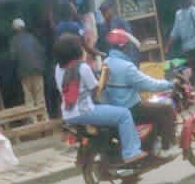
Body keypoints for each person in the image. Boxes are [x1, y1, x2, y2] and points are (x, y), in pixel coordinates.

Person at [54, 34, 145, 164]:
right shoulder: (83, 68)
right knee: (124, 114)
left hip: (68, 114)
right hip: (85, 111)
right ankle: (131, 152)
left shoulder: (58, 69)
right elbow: (97, 89)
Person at [101, 29, 176, 158]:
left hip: (115, 107)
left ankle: (152, 143)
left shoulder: (106, 62)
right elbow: (149, 85)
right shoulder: (126, 66)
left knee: (153, 107)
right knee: (166, 109)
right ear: (124, 47)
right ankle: (166, 148)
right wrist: (169, 84)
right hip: (131, 108)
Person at [9, 19, 47, 110]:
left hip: (24, 72)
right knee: (39, 95)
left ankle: (34, 120)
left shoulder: (14, 41)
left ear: (14, 30)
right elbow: (42, 51)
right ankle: (44, 118)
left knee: (29, 97)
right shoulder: (32, 37)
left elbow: (13, 57)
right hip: (37, 69)